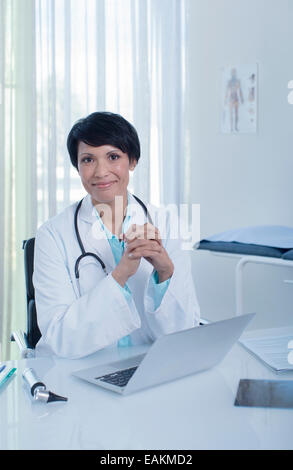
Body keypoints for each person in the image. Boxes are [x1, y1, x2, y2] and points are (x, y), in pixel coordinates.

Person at [33, 111, 200, 358]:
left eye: (113, 157)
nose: (101, 171)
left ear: (132, 161)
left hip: (150, 367)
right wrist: (121, 274)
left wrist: (165, 274)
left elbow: (185, 335)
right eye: (88, 160)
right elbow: (59, 339)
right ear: (77, 167)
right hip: (80, 372)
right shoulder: (53, 235)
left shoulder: (166, 223)